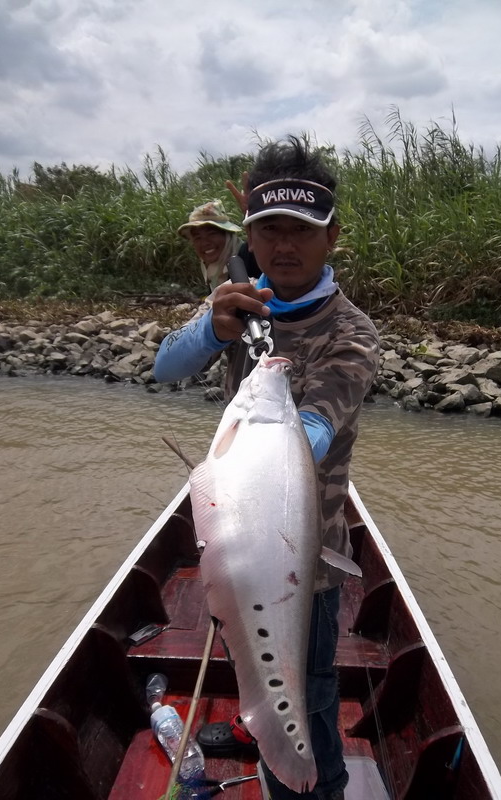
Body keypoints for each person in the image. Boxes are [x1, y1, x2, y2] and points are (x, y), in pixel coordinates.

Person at [154, 136, 380, 800]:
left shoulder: (352, 331)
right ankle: (256, 728)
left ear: (331, 236)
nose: (285, 245)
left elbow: (312, 431)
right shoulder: (240, 300)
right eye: (269, 229)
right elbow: (167, 366)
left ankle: (313, 784)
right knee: (249, 654)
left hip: (305, 556)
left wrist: (267, 410)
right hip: (236, 535)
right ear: (250, 232)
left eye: (302, 232)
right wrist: (215, 330)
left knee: (306, 694)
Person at [178, 199, 260, 292]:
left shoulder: (251, 256)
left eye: (212, 234)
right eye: (197, 238)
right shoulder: (212, 269)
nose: (205, 243)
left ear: (228, 235)